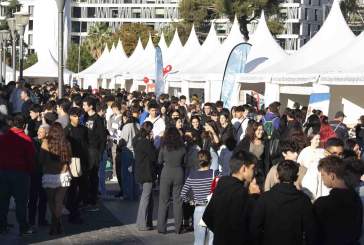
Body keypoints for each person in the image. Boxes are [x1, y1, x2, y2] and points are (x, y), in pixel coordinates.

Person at [250, 160, 317, 245]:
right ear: (296, 177)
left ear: (277, 176)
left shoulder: (265, 198)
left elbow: (255, 227)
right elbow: (311, 231)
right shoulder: (304, 200)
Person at [202, 150, 260, 245]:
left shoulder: (221, 185)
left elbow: (207, 217)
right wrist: (255, 196)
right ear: (244, 169)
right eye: (252, 168)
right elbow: (254, 222)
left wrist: (221, 233)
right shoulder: (242, 193)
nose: (254, 172)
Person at [314, 156, 362, 245]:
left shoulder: (323, 203)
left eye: (323, 175)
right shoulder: (356, 198)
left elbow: (315, 233)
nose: (322, 178)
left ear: (332, 176)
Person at [0, 115, 35, 235]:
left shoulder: (3, 138)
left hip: (3, 173)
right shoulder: (26, 139)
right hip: (21, 174)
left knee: (3, 201)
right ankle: (23, 227)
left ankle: (2, 226)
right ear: (24, 125)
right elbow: (31, 159)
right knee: (21, 202)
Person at [40, 122, 72, 235]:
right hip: (63, 175)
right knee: (59, 201)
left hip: (49, 175)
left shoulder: (45, 143)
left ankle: (54, 224)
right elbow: (70, 159)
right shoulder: (66, 143)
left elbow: (41, 160)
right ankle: (57, 224)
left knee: (51, 202)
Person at [181, 150, 215, 245]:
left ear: (198, 161)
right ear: (210, 160)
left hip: (199, 209)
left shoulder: (192, 175)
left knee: (199, 241)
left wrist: (192, 202)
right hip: (212, 209)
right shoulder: (216, 174)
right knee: (213, 240)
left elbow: (183, 194)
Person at [157, 127, 186, 234]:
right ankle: (178, 228)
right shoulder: (182, 148)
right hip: (178, 172)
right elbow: (185, 161)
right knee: (178, 201)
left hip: (166, 172)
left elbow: (159, 161)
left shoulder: (164, 147)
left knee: (164, 201)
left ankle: (161, 228)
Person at [64, 107, 88, 224]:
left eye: (79, 116)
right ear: (70, 117)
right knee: (72, 190)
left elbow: (87, 145)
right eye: (75, 116)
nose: (77, 118)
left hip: (82, 163)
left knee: (83, 190)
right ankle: (73, 213)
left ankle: (74, 209)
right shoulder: (66, 130)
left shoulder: (84, 129)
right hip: (71, 163)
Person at [83, 97, 107, 210]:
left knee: (93, 175)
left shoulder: (98, 119)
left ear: (91, 106)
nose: (83, 107)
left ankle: (93, 200)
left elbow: (102, 137)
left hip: (94, 150)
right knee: (87, 175)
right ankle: (87, 198)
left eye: (85, 105)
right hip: (87, 149)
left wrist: (100, 151)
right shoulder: (86, 117)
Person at [133, 121, 157, 231]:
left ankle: (147, 222)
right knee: (146, 198)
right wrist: (152, 143)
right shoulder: (145, 142)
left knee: (148, 197)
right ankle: (142, 223)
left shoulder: (136, 140)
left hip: (140, 171)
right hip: (147, 172)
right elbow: (153, 156)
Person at [28, 124, 49, 227]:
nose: (38, 133)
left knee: (43, 198)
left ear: (47, 133)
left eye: (41, 132)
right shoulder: (33, 141)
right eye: (38, 131)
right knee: (33, 198)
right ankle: (31, 221)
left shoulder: (50, 142)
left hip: (45, 174)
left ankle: (41, 220)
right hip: (35, 174)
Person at [118, 110, 139, 201]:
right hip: (136, 152)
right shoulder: (138, 125)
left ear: (125, 117)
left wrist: (118, 143)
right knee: (135, 175)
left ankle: (128, 194)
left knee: (126, 175)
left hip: (127, 152)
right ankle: (135, 194)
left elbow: (123, 141)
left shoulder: (126, 126)